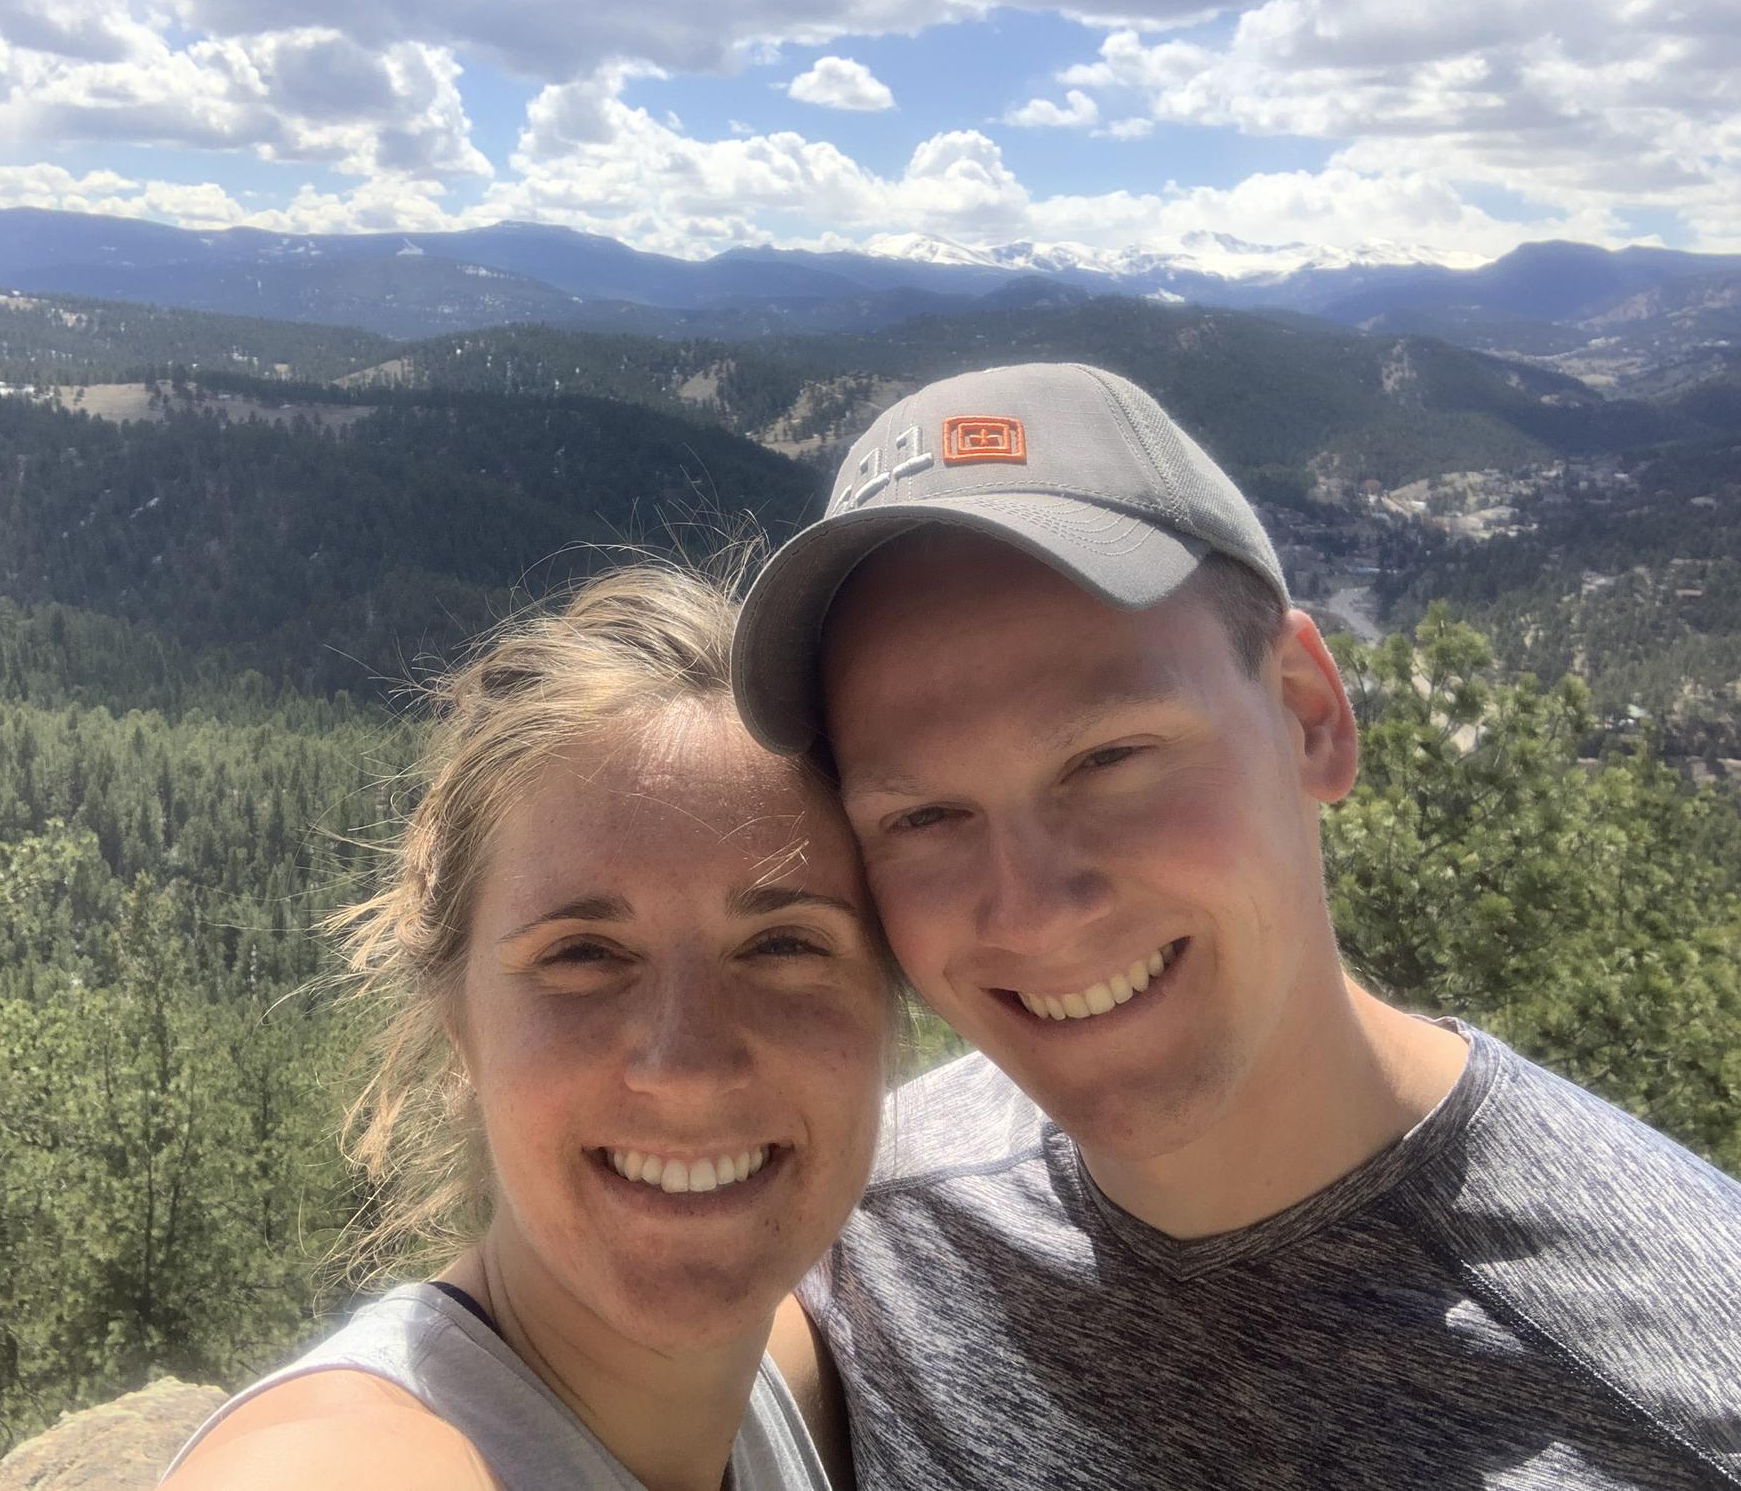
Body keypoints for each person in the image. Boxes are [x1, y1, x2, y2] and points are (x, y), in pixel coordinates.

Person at [731, 362, 1741, 1489]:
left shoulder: (1682, 1395)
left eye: (1107, 758)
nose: (1030, 907)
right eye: (922, 815)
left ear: (1309, 716)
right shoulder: (865, 1230)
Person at [164, 564, 893, 1491]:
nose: (688, 1066)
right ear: (455, 1016)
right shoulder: (351, 1459)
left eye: (784, 943)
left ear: (891, 1002)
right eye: (583, 954)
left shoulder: (781, 1386)